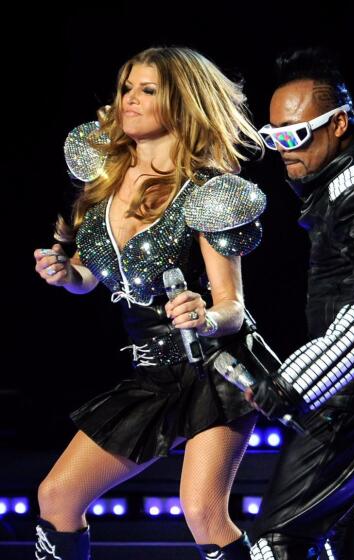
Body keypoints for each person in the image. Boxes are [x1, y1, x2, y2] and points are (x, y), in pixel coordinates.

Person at [33, 46, 268, 560]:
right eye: (126, 89)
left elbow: (232, 307)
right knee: (56, 497)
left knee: (203, 512)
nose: (129, 101)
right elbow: (92, 277)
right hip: (150, 375)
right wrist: (66, 274)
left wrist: (204, 317)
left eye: (147, 91)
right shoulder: (103, 182)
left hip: (212, 372)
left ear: (181, 102)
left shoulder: (205, 192)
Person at [245, 47, 354, 560]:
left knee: (278, 542)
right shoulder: (352, 185)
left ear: (339, 124)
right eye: (271, 138)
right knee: (352, 540)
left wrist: (299, 380)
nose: (282, 150)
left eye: (294, 134)